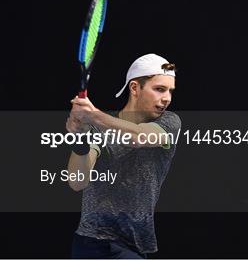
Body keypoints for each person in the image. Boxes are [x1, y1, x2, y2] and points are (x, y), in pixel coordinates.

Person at [66, 53, 181, 259]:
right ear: (135, 88)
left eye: (170, 91)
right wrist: (79, 136)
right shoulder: (98, 128)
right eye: (159, 89)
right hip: (90, 243)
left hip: (134, 245)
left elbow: (141, 137)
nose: (167, 98)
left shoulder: (170, 122)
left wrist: (93, 116)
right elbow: (77, 182)